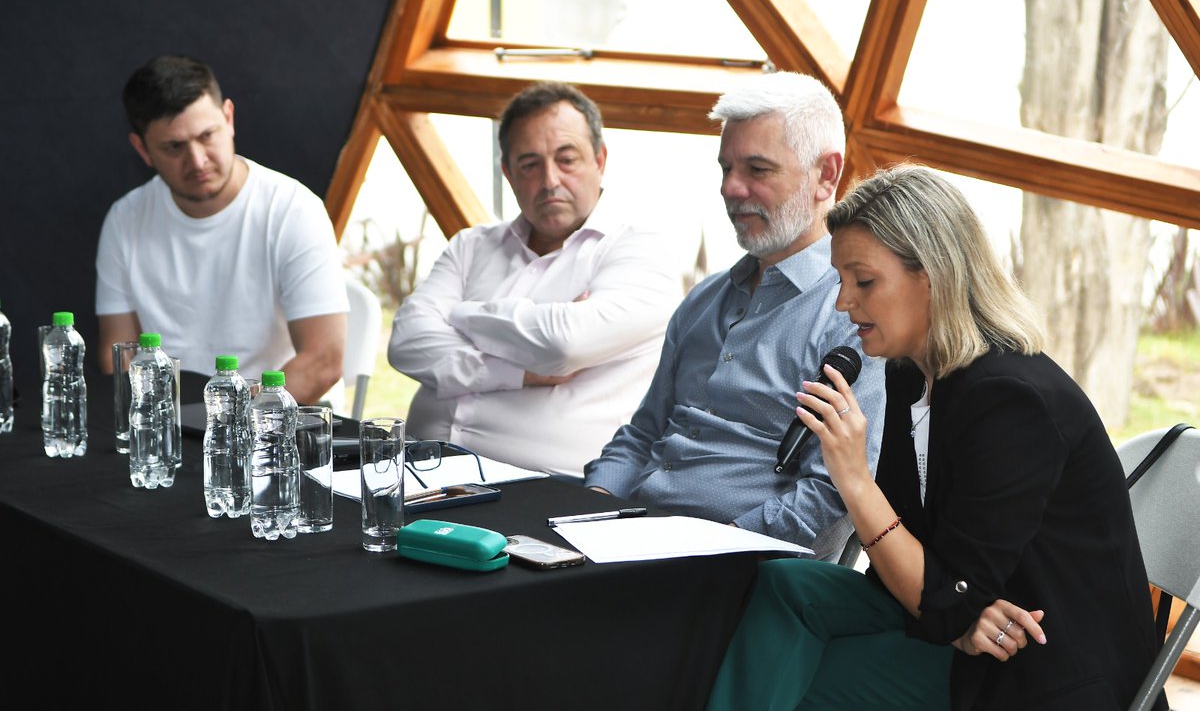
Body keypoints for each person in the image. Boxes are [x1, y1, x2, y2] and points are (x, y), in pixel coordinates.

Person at [706, 164, 1163, 710]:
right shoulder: (910, 373)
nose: (842, 302)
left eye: (864, 281)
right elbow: (922, 572)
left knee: (798, 680)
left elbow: (945, 594)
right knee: (786, 587)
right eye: (841, 281)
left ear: (932, 275)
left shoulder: (1010, 400)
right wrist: (957, 616)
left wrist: (853, 477)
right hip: (965, 617)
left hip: (1041, 665)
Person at [584, 71, 885, 559]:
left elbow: (835, 493)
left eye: (757, 170)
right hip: (628, 545)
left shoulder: (854, 317)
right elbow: (642, 434)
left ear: (827, 175)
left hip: (736, 572)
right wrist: (591, 505)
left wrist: (712, 549)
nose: (731, 188)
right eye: (725, 168)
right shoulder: (704, 300)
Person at [387, 81, 680, 478]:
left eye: (567, 159)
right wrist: (520, 371)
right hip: (421, 469)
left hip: (546, 487)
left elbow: (564, 342)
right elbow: (406, 343)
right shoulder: (472, 246)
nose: (550, 181)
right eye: (529, 164)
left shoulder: (641, 250)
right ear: (508, 172)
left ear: (600, 159)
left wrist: (462, 316)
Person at [96, 55, 347, 404]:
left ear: (228, 118)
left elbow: (323, 362)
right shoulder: (125, 218)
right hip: (167, 426)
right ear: (143, 149)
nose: (197, 160)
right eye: (174, 147)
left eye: (207, 135)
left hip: (270, 427)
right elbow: (119, 358)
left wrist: (224, 426)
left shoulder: (293, 209)